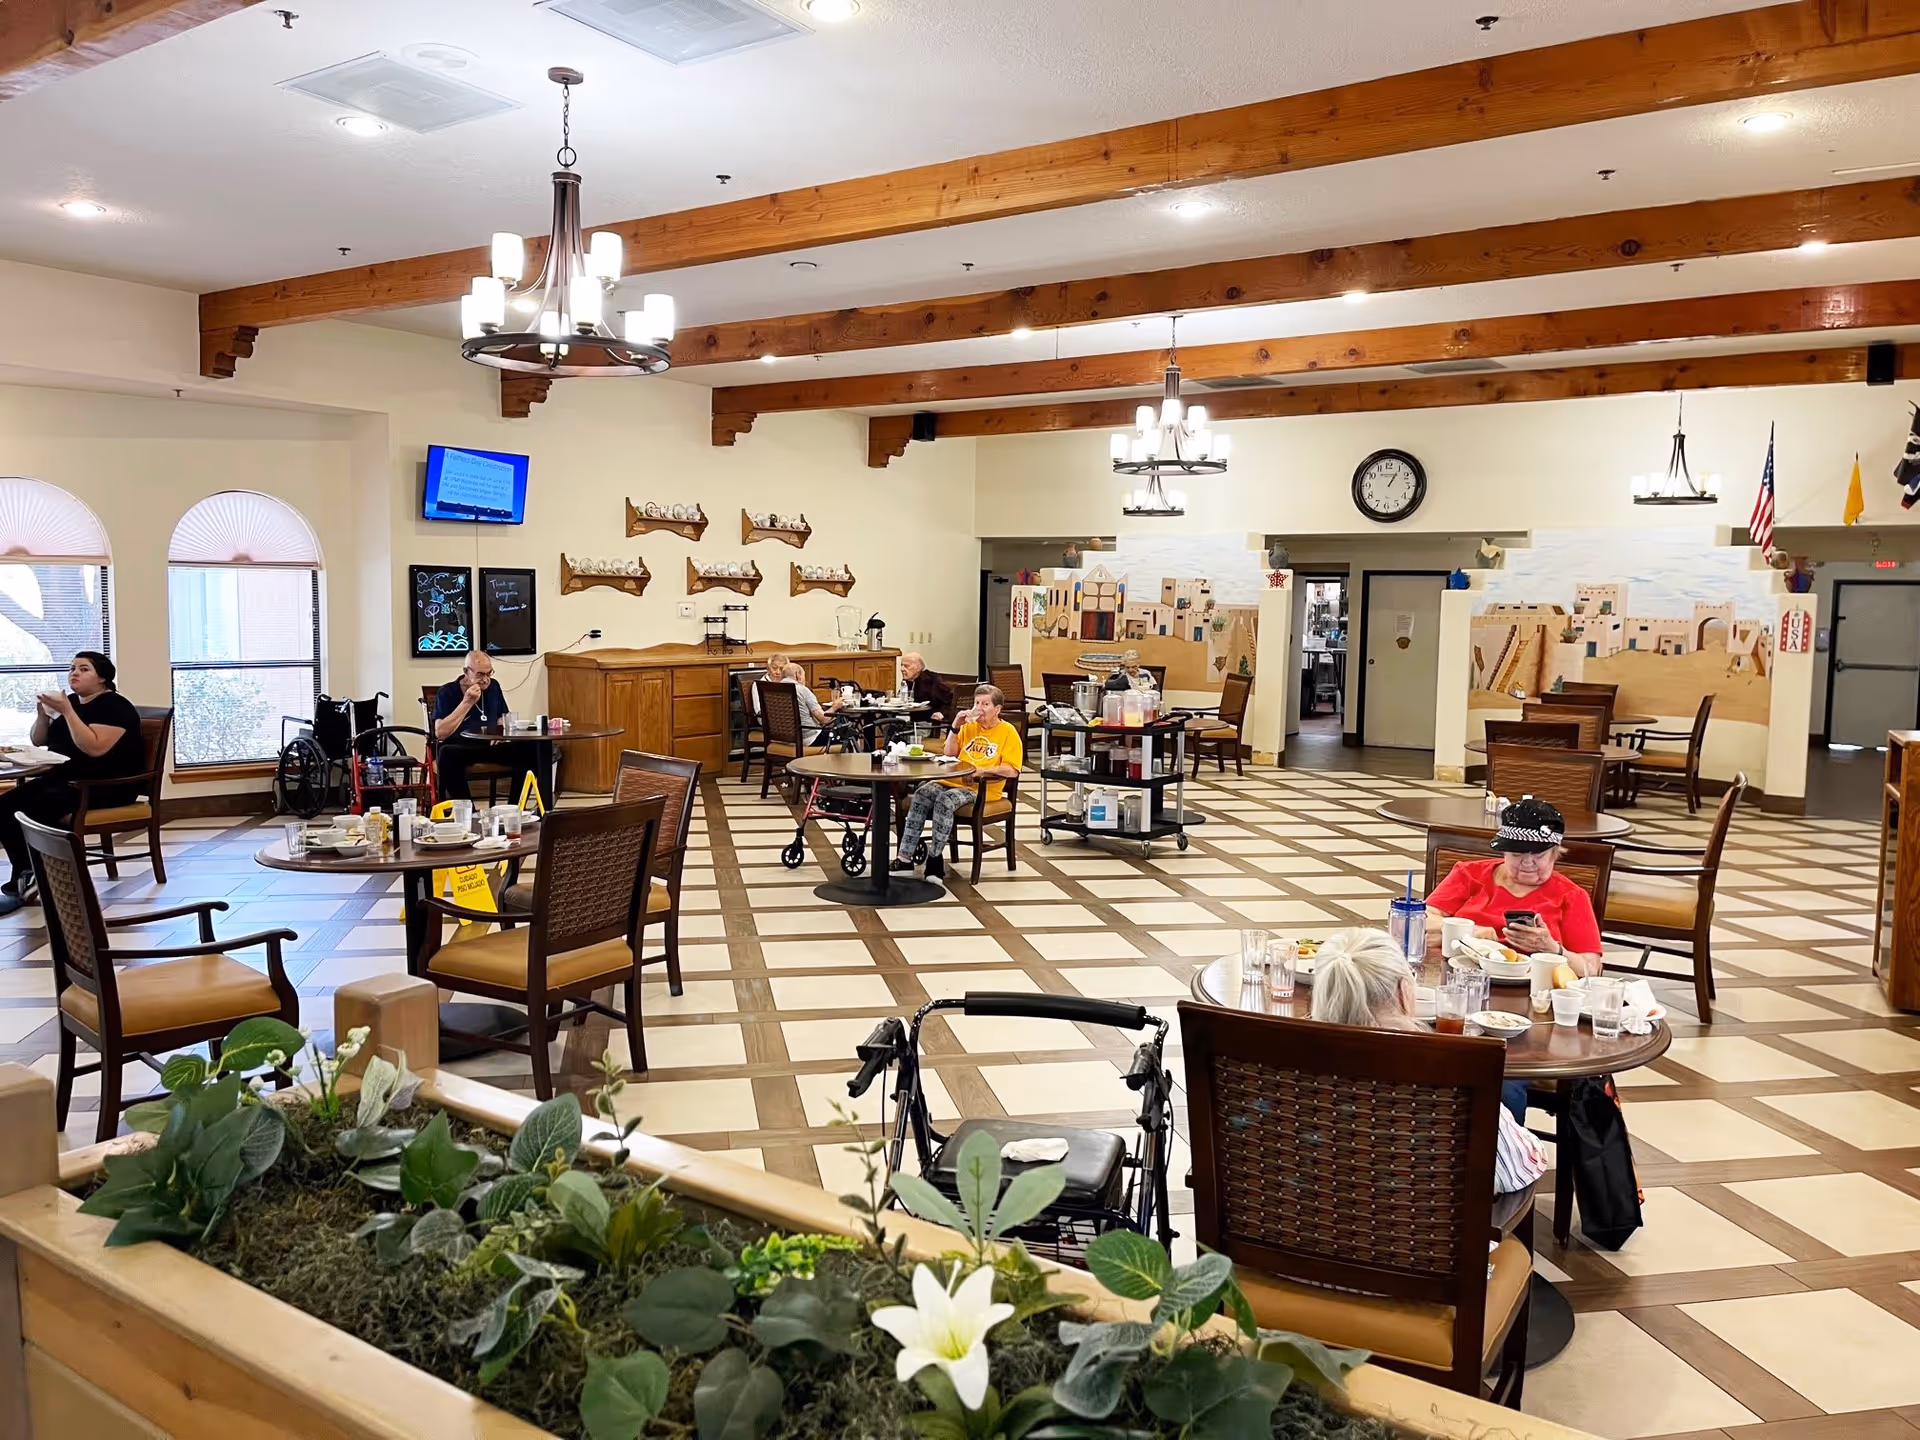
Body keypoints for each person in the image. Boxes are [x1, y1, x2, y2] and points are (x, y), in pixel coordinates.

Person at [1310, 928, 1547, 1196]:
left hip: (1305, 1228)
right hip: (1424, 1230)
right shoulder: (1452, 1068)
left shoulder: (1288, 1067)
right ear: (1403, 991)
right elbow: (1519, 1167)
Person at [1423, 795, 1604, 1125]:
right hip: (1454, 995)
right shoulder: (1470, 875)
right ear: (1502, 850)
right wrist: (1478, 934)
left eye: (1539, 855)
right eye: (1517, 854)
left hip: (1527, 1012)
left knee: (1502, 1081)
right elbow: (1421, 925)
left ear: (1556, 852)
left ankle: (1502, 1166)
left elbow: (1591, 968)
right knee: (1414, 1058)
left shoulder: (1571, 896)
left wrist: (1553, 948)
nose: (1528, 864)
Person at [0, 652, 146, 915]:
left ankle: (36, 878)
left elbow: (94, 749)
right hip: (65, 780)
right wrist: (43, 715)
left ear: (102, 678)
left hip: (103, 786)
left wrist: (67, 711)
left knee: (32, 810)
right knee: (4, 806)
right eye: (72, 668)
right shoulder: (73, 703)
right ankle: (28, 874)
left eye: (84, 669)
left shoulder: (114, 706)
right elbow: (39, 740)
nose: (74, 673)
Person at [892, 684, 1022, 882]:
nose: (979, 707)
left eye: (985, 704)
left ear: (997, 708)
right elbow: (949, 753)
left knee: (945, 800)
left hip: (981, 788)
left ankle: (935, 860)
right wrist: (955, 726)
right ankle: (904, 858)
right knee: (921, 793)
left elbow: (1012, 770)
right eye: (977, 703)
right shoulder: (968, 726)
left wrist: (984, 771)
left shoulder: (1008, 732)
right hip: (952, 780)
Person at [431, 651, 543, 806]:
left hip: (489, 746)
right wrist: (467, 702)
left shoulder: (494, 687)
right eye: (480, 675)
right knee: (446, 753)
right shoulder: (447, 691)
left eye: (489, 674)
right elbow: (440, 732)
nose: (485, 680)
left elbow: (502, 717)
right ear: (466, 672)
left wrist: (500, 731)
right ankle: (467, 811)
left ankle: (515, 808)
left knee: (533, 749)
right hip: (461, 746)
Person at [784, 663, 833, 747]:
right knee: (848, 732)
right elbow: (824, 719)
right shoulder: (802, 690)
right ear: (798, 675)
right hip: (809, 739)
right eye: (803, 676)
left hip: (785, 739)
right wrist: (835, 707)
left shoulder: (772, 689)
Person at [898, 652, 954, 724]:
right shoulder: (907, 682)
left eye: (906, 666)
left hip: (926, 722)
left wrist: (941, 713)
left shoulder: (931, 679)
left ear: (918, 668)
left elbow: (949, 700)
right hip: (911, 720)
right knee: (891, 724)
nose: (902, 669)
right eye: (901, 665)